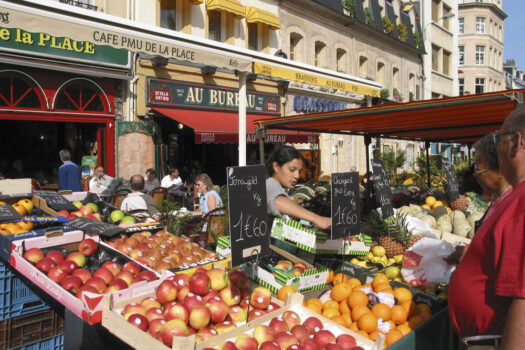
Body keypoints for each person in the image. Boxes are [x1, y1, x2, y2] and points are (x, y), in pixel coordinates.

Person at [448, 105, 525, 349]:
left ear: (516, 142)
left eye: (499, 138)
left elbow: (522, 299)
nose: (497, 147)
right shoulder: (516, 197)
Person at [265, 145, 331, 229]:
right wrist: (317, 219)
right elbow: (278, 201)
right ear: (276, 167)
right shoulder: (268, 184)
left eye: (299, 171)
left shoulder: (280, 188)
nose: (297, 176)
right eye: (292, 170)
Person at [472, 132, 513, 223]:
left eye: (478, 170)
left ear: (500, 171)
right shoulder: (499, 203)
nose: (475, 174)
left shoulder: (511, 211)